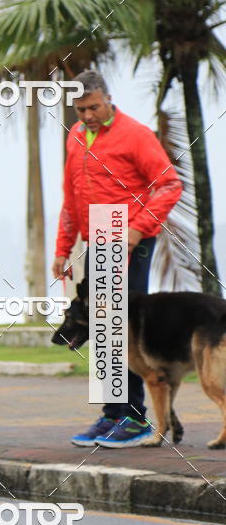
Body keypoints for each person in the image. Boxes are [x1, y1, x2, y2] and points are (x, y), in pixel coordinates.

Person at [52, 70, 182, 448]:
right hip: (98, 236)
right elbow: (71, 198)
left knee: (121, 328)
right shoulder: (76, 136)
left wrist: (137, 229)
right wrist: (63, 247)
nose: (88, 115)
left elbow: (169, 185)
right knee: (100, 325)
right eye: (80, 109)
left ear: (107, 98)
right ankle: (112, 413)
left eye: (93, 107)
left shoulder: (136, 134)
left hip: (131, 239)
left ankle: (134, 416)